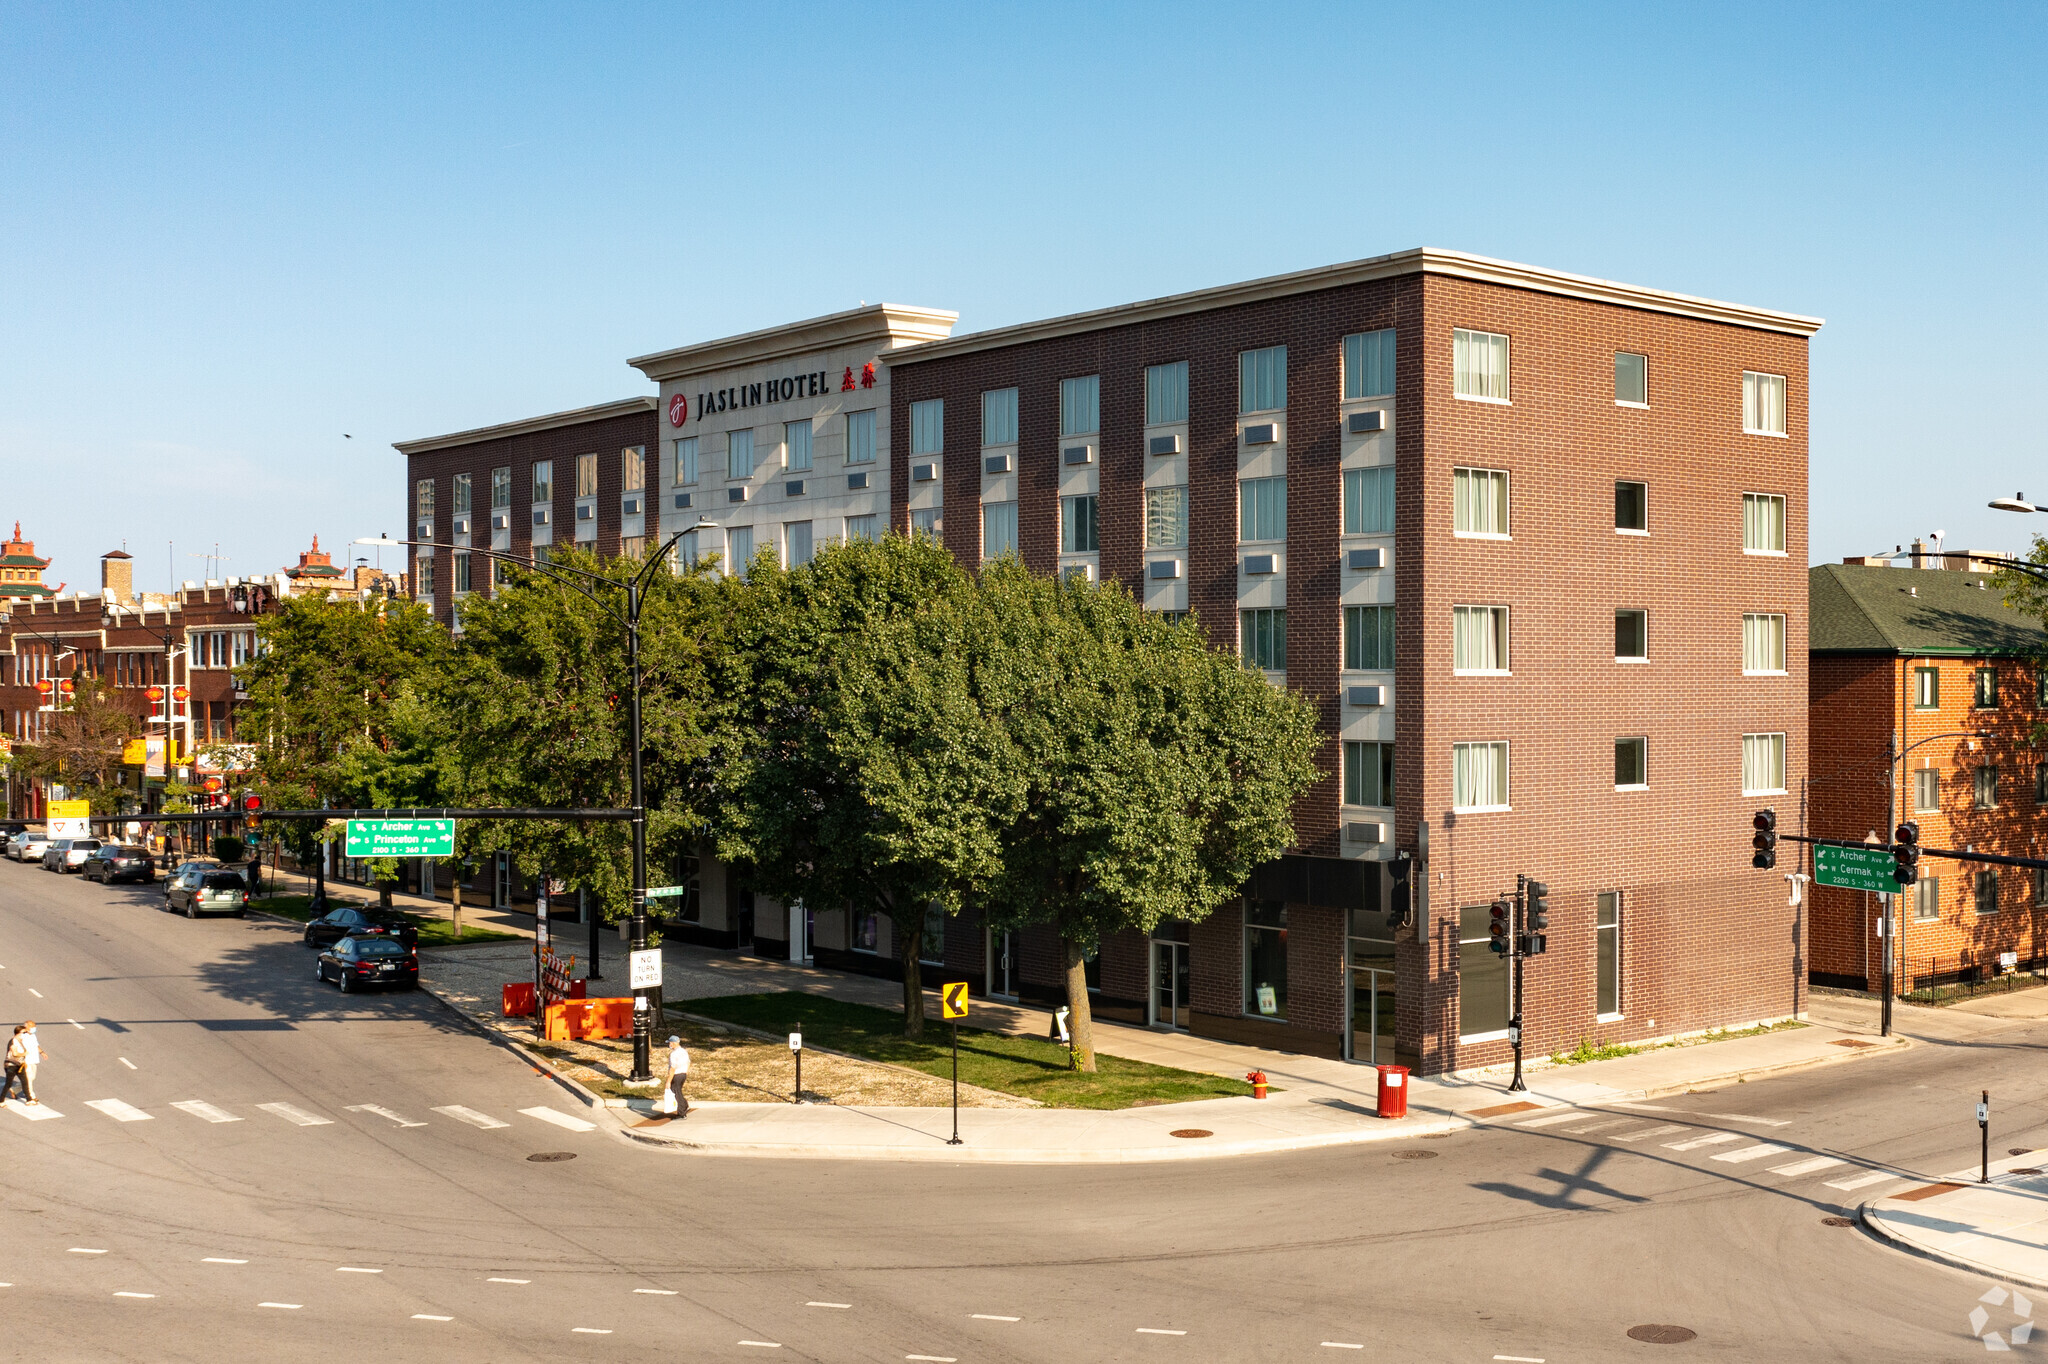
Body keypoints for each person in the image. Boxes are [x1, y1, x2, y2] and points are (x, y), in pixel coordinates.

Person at [5, 1022, 41, 1105]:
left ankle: (14, 1089)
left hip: (34, 1060)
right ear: (26, 1027)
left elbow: (36, 1045)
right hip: (26, 1061)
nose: (34, 1028)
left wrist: (42, 1052)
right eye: (32, 1027)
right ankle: (31, 1097)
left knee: (32, 1078)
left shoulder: (33, 1035)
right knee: (29, 1079)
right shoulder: (22, 1037)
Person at [665, 1034, 690, 1118]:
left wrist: (668, 1081)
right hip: (683, 1074)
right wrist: (686, 1072)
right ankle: (685, 1104)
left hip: (676, 1075)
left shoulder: (673, 1054)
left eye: (670, 1043)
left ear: (673, 1043)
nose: (669, 1045)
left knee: (676, 1092)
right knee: (678, 1091)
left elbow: (672, 1068)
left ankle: (682, 1112)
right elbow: (689, 1062)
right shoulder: (684, 1051)